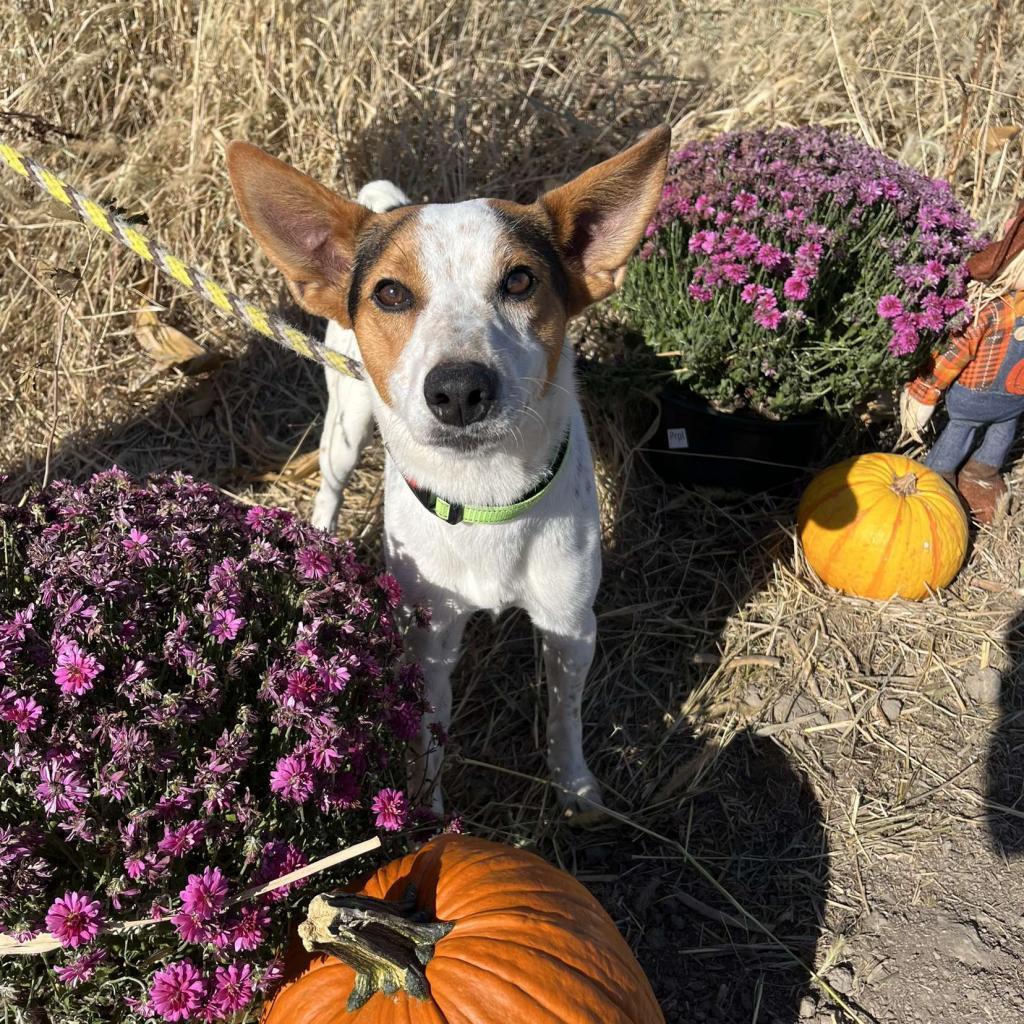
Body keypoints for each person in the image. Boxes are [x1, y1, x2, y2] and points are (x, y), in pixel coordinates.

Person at [901, 201, 1024, 524]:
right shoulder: (991, 310)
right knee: (959, 433)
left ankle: (982, 473)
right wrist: (925, 392)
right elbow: (955, 352)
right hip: (973, 397)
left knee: (1001, 436)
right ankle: (939, 475)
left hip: (1015, 402)